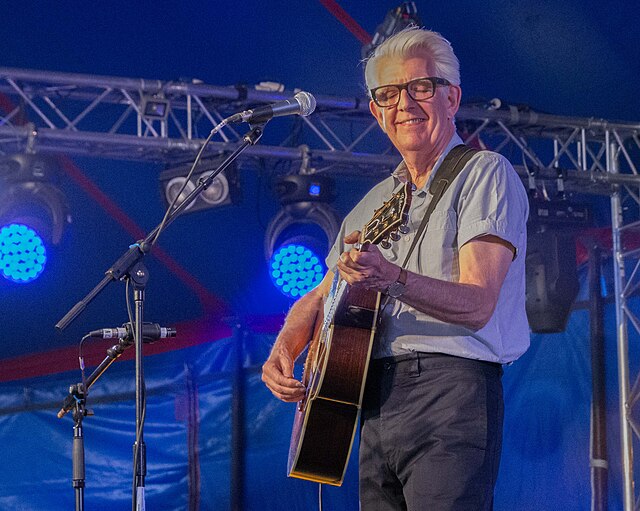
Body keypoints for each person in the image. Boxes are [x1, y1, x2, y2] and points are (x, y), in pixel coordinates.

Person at [262, 26, 530, 510]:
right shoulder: (371, 205)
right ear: (376, 112)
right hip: (372, 396)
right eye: (387, 94)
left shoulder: (484, 173)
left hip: (449, 391)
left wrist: (394, 278)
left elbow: (478, 303)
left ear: (452, 97)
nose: (404, 104)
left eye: (420, 87)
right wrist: (284, 349)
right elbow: (320, 296)